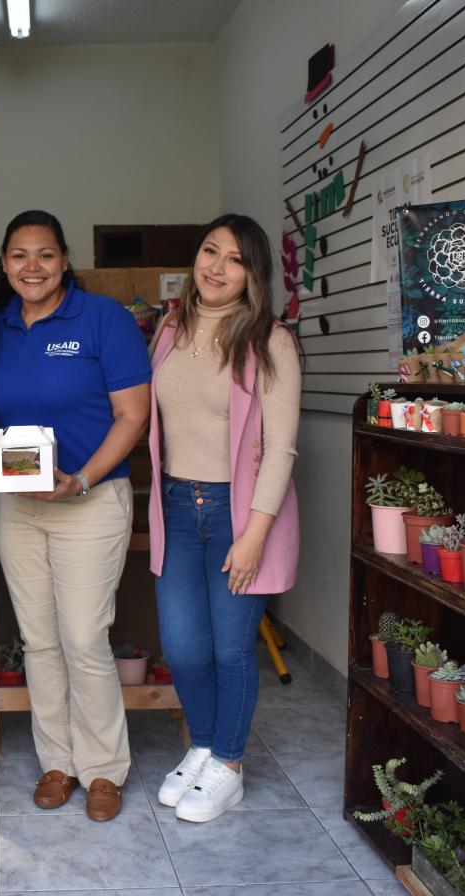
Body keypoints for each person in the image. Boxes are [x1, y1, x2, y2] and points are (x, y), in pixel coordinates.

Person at [0, 210, 150, 822]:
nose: (33, 266)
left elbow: (132, 415)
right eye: (20, 255)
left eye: (45, 254)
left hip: (90, 500)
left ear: (65, 260)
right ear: (3, 263)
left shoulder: (103, 319)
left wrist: (81, 477)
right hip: (18, 506)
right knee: (39, 640)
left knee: (84, 637)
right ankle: (58, 762)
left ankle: (104, 769)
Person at [148, 213, 300, 823]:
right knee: (183, 648)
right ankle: (204, 747)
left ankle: (229, 765)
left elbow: (282, 445)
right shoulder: (170, 328)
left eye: (234, 259)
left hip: (239, 512)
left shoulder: (272, 340)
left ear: (252, 273)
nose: (215, 267)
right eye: (209, 252)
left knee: (230, 650)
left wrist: (255, 534)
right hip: (178, 506)